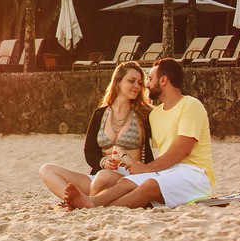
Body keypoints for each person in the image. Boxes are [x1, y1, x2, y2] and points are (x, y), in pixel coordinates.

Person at [62, 57, 215, 209]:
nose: (146, 85)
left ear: (163, 80)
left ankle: (99, 209)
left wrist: (147, 168)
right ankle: (92, 202)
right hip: (167, 173)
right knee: (126, 182)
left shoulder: (190, 105)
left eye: (149, 79)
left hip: (195, 174)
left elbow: (182, 149)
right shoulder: (155, 115)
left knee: (150, 185)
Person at [39, 61, 153, 200]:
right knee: (47, 169)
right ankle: (79, 200)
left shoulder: (144, 114)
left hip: (128, 180)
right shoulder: (100, 114)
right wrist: (102, 161)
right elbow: (90, 150)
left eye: (139, 82)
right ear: (117, 82)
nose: (137, 86)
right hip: (99, 178)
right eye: (131, 81)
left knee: (104, 176)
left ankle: (83, 200)